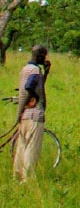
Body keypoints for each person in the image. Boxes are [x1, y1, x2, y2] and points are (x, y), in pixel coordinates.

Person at [12, 44, 50, 182]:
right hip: (35, 115)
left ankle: (17, 176)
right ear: (39, 55)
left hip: (25, 115)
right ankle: (27, 180)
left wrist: (46, 73)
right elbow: (30, 87)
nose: (45, 58)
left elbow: (37, 85)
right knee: (31, 150)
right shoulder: (34, 71)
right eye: (44, 55)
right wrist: (35, 98)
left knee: (21, 147)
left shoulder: (26, 69)